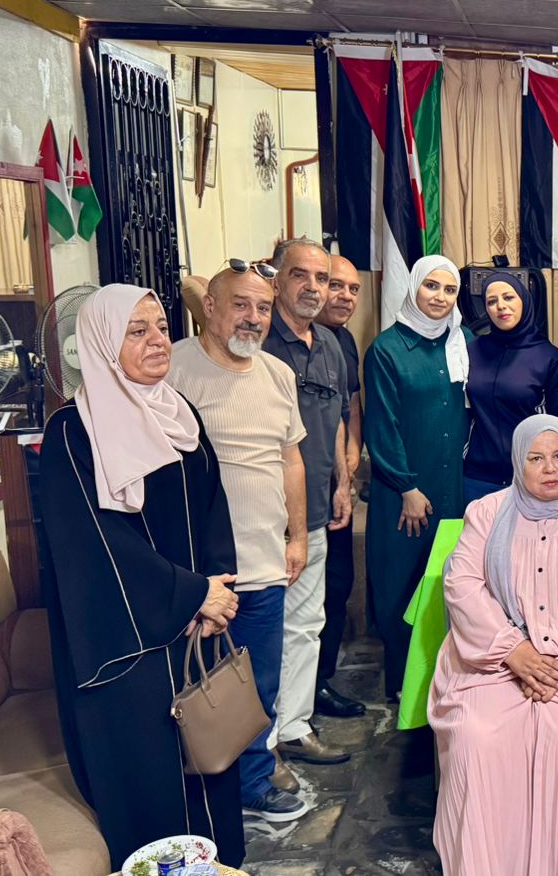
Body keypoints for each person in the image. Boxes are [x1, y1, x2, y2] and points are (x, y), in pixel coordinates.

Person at [36, 284, 245, 865]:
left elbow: (214, 509)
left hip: (197, 628)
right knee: (154, 789)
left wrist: (218, 590)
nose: (158, 341)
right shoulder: (73, 433)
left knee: (210, 759)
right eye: (137, 331)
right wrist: (192, 595)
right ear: (102, 343)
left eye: (161, 327)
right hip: (131, 647)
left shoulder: (181, 413)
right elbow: (96, 546)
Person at [428, 414, 558, 875]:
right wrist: (513, 651)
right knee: (478, 739)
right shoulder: (487, 513)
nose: (550, 468)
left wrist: (556, 663)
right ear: (518, 462)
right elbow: (462, 584)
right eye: (536, 458)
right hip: (494, 661)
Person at [166, 266, 313, 819]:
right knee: (196, 686)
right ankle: (198, 789)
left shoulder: (277, 374)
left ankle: (252, 783)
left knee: (259, 682)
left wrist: (297, 536)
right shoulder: (173, 367)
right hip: (199, 572)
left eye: (263, 308)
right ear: (209, 306)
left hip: (266, 561)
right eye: (240, 305)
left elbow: (290, 459)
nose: (253, 318)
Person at [259, 238, 354, 768]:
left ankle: (294, 727)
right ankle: (259, 741)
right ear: (276, 280)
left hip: (315, 510)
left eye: (322, 278)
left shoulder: (330, 345)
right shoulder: (257, 338)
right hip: (263, 518)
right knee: (261, 629)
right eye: (301, 275)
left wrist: (342, 482)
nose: (313, 287)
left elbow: (337, 417)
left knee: (305, 624)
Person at [364, 255, 473, 699]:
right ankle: (402, 687)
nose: (440, 297)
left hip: (454, 488)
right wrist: (407, 486)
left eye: (450, 290)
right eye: (431, 286)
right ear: (413, 289)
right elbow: (381, 426)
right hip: (404, 492)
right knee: (400, 585)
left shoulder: (461, 341)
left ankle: (444, 680)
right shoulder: (387, 350)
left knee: (447, 583)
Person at [311, 253, 368, 719]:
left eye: (353, 289)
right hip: (304, 486)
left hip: (337, 487)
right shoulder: (286, 340)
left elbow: (351, 403)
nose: (345, 296)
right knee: (310, 594)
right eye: (335, 285)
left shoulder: (344, 340)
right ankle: (302, 691)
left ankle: (320, 681)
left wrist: (351, 457)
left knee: (337, 583)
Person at [465, 273, 558, 503]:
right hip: (477, 476)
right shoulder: (472, 351)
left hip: (530, 476)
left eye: (508, 297)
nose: (501, 306)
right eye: (491, 301)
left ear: (524, 301)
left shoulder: (548, 357)